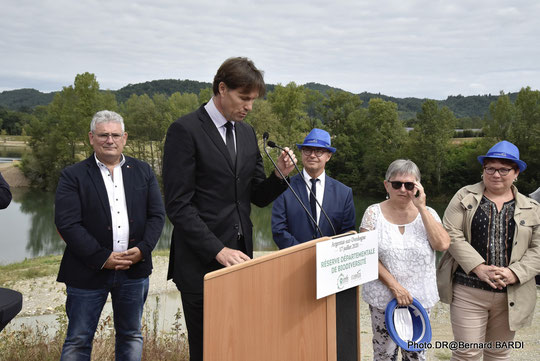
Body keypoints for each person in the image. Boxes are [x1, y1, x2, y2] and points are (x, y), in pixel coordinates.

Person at [162, 57, 296, 361]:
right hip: (200, 262)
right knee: (207, 349)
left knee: (236, 346)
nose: (249, 106)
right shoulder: (185, 130)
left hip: (241, 257)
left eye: (253, 100)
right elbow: (178, 206)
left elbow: (257, 197)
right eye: (244, 98)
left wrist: (280, 176)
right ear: (222, 89)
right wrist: (217, 250)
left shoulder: (247, 134)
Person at [55, 110, 165, 361]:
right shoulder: (73, 175)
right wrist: (102, 257)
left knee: (131, 335)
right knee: (78, 339)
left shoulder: (143, 171)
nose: (110, 140)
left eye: (115, 134)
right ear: (91, 138)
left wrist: (144, 249)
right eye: (103, 135)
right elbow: (67, 223)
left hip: (133, 270)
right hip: (86, 270)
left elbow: (157, 215)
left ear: (125, 137)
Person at [437, 140, 540, 360]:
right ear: (483, 170)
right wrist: (479, 268)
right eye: (490, 168)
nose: (496, 174)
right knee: (467, 353)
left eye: (504, 169)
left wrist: (514, 273)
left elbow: (538, 249)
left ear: (516, 173)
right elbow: (450, 233)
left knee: (498, 353)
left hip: (511, 294)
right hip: (468, 290)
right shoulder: (463, 196)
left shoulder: (532, 208)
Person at [360, 159, 450, 361]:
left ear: (418, 186)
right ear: (386, 185)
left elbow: (442, 245)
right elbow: (366, 256)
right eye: (396, 184)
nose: (403, 189)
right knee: (384, 355)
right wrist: (395, 287)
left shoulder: (429, 213)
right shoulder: (373, 213)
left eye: (409, 185)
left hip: (419, 301)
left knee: (416, 355)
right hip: (383, 299)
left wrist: (422, 208)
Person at [271, 128, 355, 248]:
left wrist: (326, 256)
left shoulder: (344, 193)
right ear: (301, 153)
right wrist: (303, 254)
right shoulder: (284, 187)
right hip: (293, 262)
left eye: (319, 151)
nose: (312, 155)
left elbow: (347, 233)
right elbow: (279, 230)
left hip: (330, 262)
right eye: (307, 150)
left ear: (329, 156)